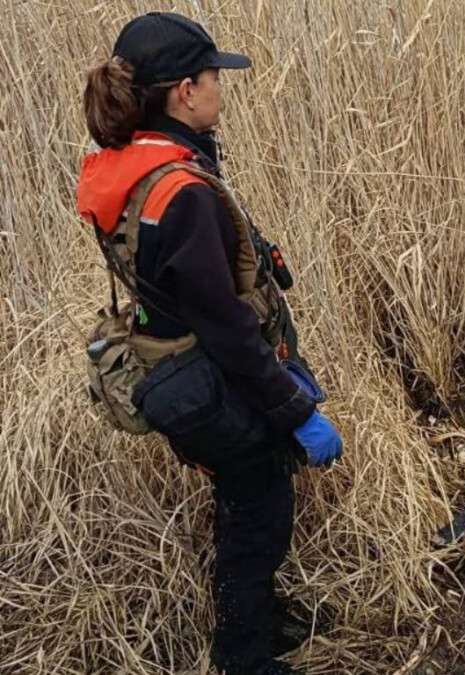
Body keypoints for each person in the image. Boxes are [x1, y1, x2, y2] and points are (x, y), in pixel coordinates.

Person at [76, 12, 342, 675]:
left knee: (243, 495)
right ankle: (244, 654)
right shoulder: (183, 191)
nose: (221, 85)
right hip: (206, 379)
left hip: (174, 368)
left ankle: (258, 617)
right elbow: (225, 326)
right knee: (260, 506)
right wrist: (296, 411)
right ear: (182, 91)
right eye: (212, 75)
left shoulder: (133, 167)